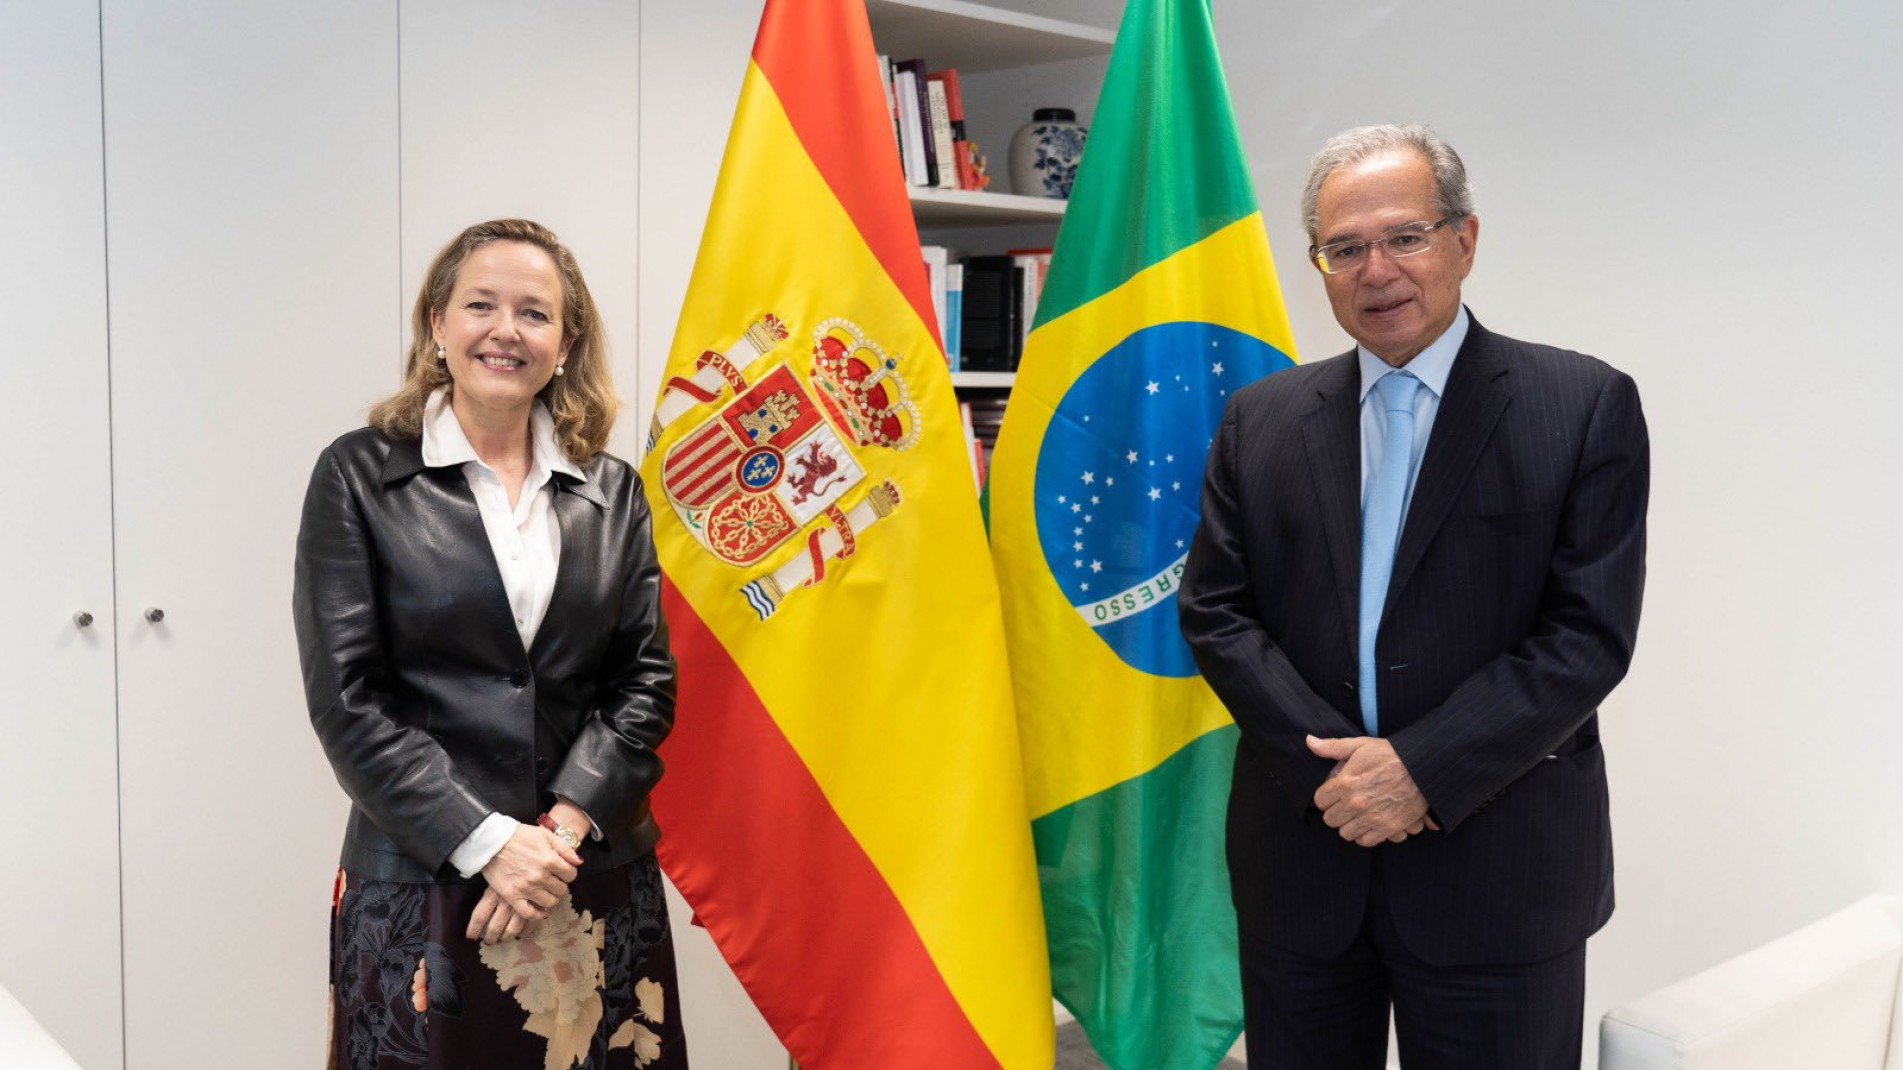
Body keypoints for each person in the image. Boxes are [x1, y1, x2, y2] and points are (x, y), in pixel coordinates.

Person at [1180, 125, 1649, 1068]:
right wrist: (1341, 778)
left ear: (1464, 240)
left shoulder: (1582, 403)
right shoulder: (1259, 420)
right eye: (1342, 248)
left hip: (1499, 875)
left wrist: (1419, 770)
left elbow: (1583, 639)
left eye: (1405, 236)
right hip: (1303, 869)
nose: (1375, 269)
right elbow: (1217, 612)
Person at [295, 219, 687, 1069]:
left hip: (587, 870)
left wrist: (560, 832)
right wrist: (491, 843)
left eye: (534, 313)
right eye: (480, 305)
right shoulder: (357, 476)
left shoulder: (611, 490)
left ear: (565, 342)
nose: (505, 330)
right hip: (422, 883)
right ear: (437, 323)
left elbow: (643, 682)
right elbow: (348, 700)